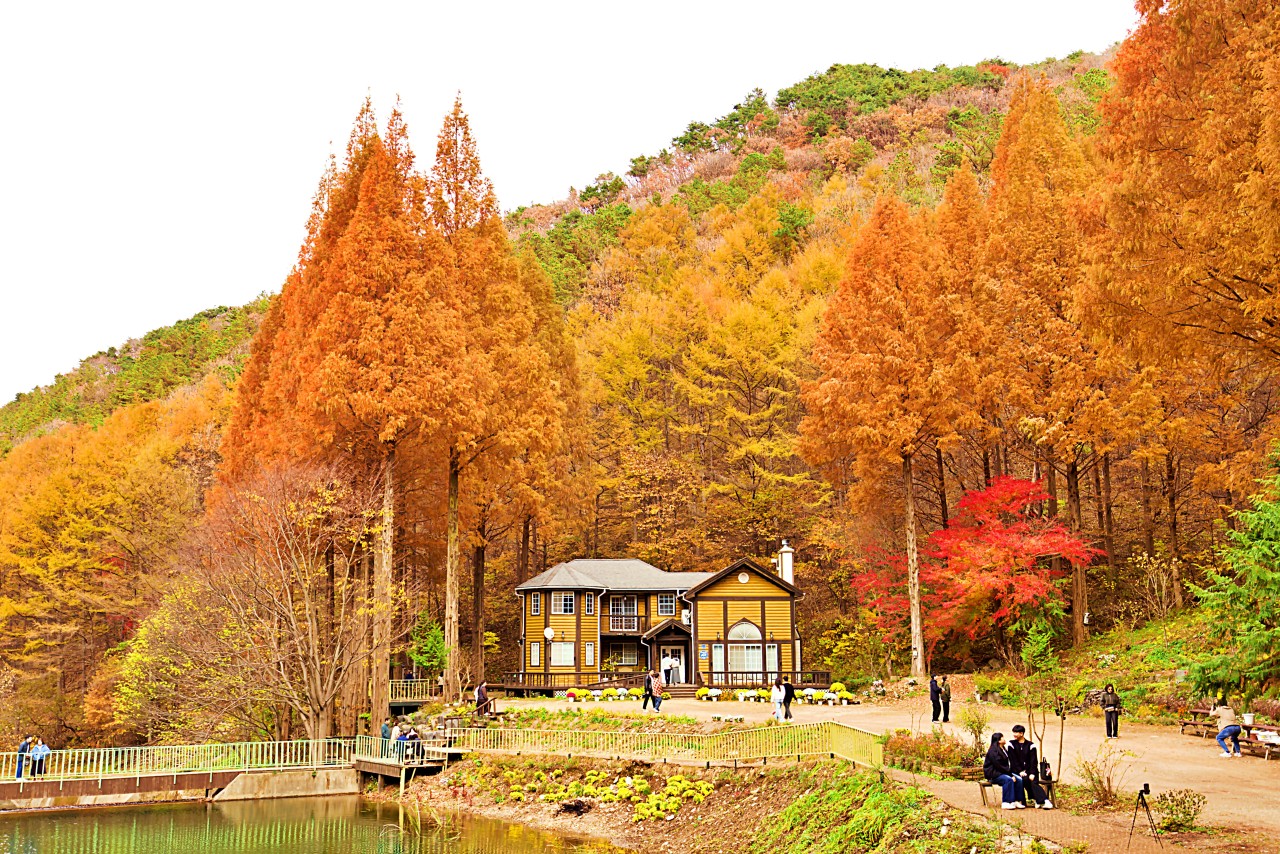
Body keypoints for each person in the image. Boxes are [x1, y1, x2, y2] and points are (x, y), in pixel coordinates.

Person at [1007, 725, 1053, 809]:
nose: (1014, 734)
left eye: (1016, 732)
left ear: (1021, 733)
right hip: (1017, 771)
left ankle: (1043, 801)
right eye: (1013, 732)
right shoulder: (1011, 744)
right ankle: (1041, 800)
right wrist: (1020, 771)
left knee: (1033, 781)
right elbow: (1013, 760)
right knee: (1025, 780)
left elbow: (1033, 760)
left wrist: (1031, 773)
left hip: (1031, 770)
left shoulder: (1030, 745)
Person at [983, 732, 1026, 810]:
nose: (1004, 738)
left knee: (1019, 779)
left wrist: (1012, 773)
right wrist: (1010, 775)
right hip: (994, 774)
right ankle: (1006, 802)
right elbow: (999, 765)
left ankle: (1016, 800)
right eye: (1002, 737)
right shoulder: (993, 751)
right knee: (1008, 780)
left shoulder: (1003, 749)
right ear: (998, 740)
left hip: (1002, 772)